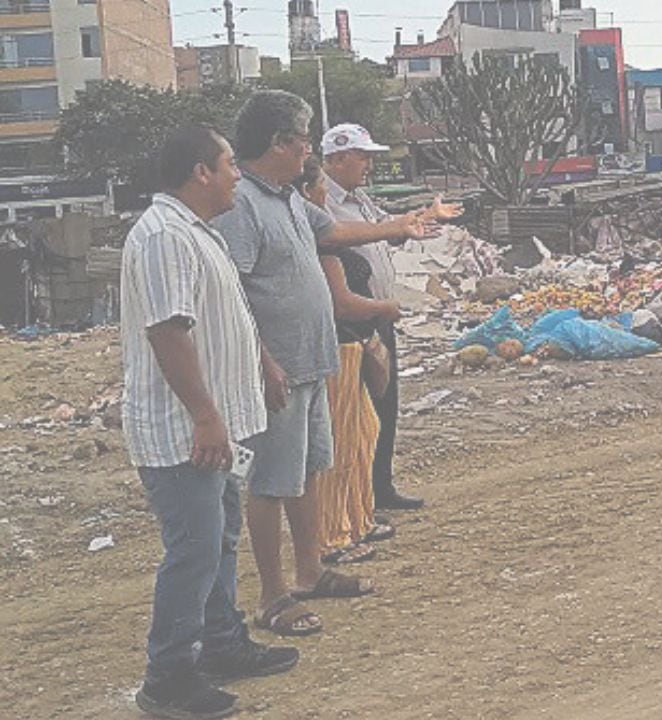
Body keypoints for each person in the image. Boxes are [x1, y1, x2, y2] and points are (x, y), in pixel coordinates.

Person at [211, 90, 434, 637]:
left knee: (309, 469)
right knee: (271, 482)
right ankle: (273, 595)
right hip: (279, 369)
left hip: (312, 361)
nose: (308, 150)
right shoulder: (242, 206)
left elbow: (332, 232)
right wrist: (262, 362)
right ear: (277, 143)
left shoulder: (287, 198)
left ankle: (309, 570)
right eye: (303, 141)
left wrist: (400, 225)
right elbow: (232, 294)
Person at [121, 125, 297, 720]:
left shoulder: (199, 232)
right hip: (185, 433)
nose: (237, 175)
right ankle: (167, 679)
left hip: (217, 426)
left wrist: (263, 363)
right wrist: (204, 415)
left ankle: (222, 644)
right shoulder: (163, 237)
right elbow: (168, 331)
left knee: (219, 538)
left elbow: (228, 314)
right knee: (194, 550)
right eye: (229, 165)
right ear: (201, 172)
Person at [320, 122, 463, 511]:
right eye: (362, 157)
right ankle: (358, 496)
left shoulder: (360, 198)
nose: (369, 165)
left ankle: (380, 486)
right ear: (337, 158)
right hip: (350, 323)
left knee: (385, 405)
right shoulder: (320, 202)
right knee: (356, 413)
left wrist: (426, 216)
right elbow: (337, 237)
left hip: (379, 317)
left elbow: (391, 229)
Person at [292, 158, 397, 565]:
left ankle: (358, 518)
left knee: (362, 433)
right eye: (320, 184)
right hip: (338, 345)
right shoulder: (322, 243)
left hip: (352, 344)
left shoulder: (326, 234)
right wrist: (384, 307)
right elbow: (341, 302)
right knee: (339, 444)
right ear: (308, 191)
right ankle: (333, 534)